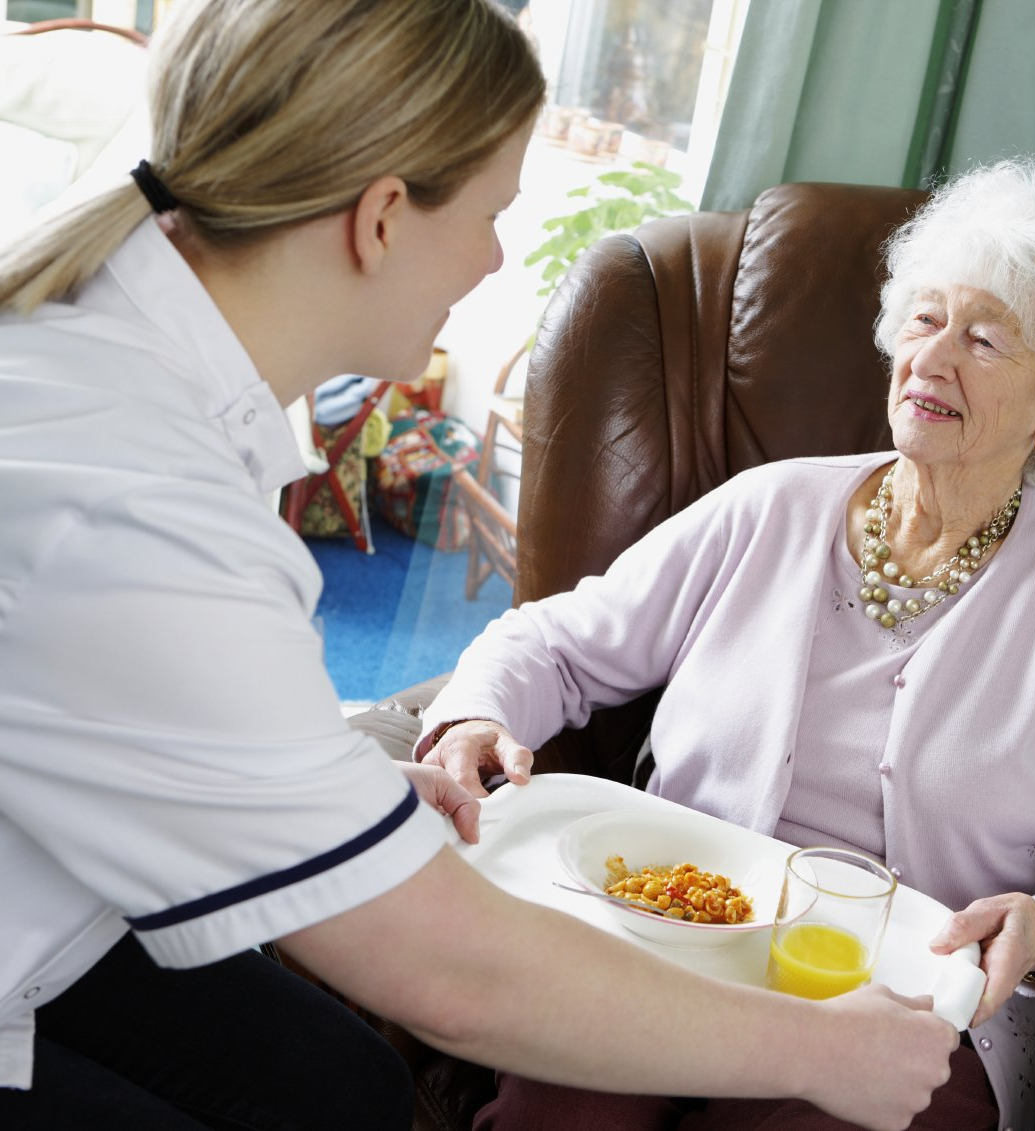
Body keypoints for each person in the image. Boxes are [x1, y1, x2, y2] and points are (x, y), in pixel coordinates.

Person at [0, 2, 961, 1129]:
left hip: (42, 896)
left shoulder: (122, 339)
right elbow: (447, 977)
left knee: (344, 1087)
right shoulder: (147, 498)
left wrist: (304, 793)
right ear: (385, 218)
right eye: (494, 211)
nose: (499, 254)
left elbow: (122, 698)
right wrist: (823, 1052)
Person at [418, 156, 1035, 1131]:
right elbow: (560, 642)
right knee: (564, 1105)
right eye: (924, 321)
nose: (933, 358)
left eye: (984, 338)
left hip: (899, 996)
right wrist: (476, 716)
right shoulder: (772, 505)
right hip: (674, 929)